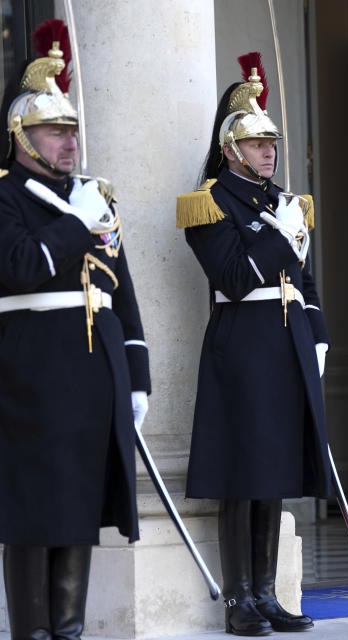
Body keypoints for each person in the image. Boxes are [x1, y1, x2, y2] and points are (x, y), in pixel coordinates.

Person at [0, 20, 150, 640]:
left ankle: (69, 629)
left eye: (71, 131)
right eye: (54, 132)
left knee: (80, 505)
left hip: (96, 368)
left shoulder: (92, 197)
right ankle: (33, 632)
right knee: (35, 511)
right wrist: (73, 225)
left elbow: (124, 294)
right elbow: (18, 268)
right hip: (32, 370)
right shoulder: (7, 198)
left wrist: (137, 374)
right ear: (21, 136)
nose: (68, 143)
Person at [177, 53, 333, 635]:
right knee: (241, 477)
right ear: (231, 148)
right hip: (241, 345)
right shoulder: (209, 202)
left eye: (272, 142)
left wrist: (318, 334)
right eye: (257, 142)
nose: (269, 151)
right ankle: (239, 600)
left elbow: (307, 283)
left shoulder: (284, 202)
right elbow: (236, 279)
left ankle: (267, 594)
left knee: (274, 473)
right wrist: (285, 237)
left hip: (287, 342)